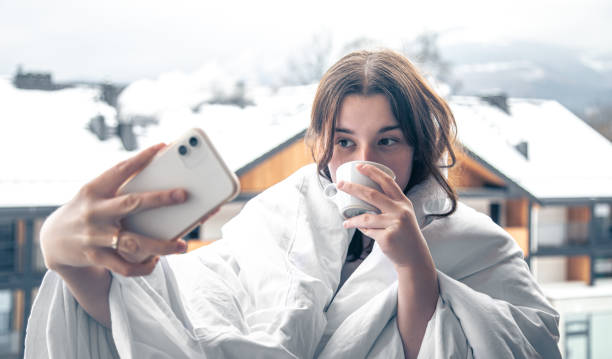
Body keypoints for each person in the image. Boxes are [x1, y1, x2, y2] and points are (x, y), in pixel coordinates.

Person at [26, 50, 561, 359]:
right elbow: (175, 325)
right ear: (323, 142)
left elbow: (521, 344)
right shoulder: (276, 216)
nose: (364, 159)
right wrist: (75, 261)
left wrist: (415, 266)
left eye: (389, 141)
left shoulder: (477, 244)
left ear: (419, 145)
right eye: (345, 141)